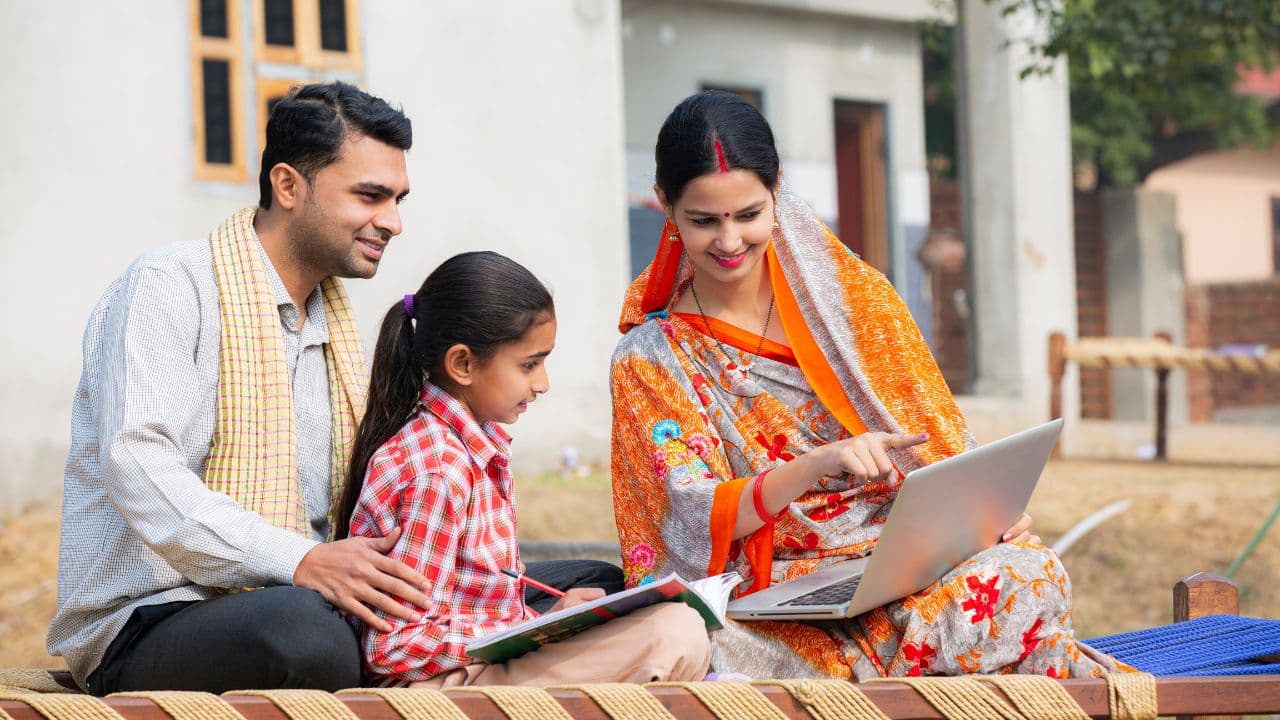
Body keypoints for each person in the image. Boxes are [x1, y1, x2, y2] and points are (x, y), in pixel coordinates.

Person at [609, 91, 1124, 679]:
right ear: (665, 206)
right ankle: (926, 665)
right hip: (775, 606)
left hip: (901, 567)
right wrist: (811, 467)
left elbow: (938, 441)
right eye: (704, 221)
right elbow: (685, 514)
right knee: (700, 646)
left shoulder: (856, 303)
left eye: (748, 215)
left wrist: (988, 517)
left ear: (777, 189)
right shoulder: (651, 357)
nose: (729, 243)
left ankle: (898, 663)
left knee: (1028, 574)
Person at [48, 82, 427, 694]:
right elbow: (138, 466)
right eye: (370, 196)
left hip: (299, 598)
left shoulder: (335, 325)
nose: (394, 222)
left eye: (399, 198)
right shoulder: (171, 284)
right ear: (288, 186)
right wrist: (299, 560)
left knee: (580, 585)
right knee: (310, 635)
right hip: (151, 619)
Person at [342, 251, 711, 687]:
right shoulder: (437, 471)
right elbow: (395, 648)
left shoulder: (470, 450)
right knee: (673, 635)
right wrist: (527, 633)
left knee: (673, 622)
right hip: (430, 689)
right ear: (462, 364)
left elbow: (478, 606)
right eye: (529, 364)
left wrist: (545, 622)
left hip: (477, 665)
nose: (542, 383)